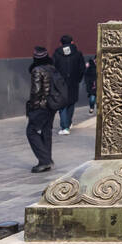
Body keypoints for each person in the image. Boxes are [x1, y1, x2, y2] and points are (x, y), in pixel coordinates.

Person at [25, 46, 57, 174]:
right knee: (46, 131)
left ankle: (44, 161)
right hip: (51, 105)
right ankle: (47, 159)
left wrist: (32, 106)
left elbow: (36, 91)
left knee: (31, 131)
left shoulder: (37, 70)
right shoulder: (52, 69)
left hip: (41, 106)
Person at [53, 34, 86, 135]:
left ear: (60, 43)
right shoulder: (78, 54)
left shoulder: (57, 54)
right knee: (71, 103)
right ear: (72, 42)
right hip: (73, 82)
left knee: (62, 105)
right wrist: (78, 79)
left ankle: (65, 127)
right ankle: (68, 123)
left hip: (60, 83)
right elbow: (82, 68)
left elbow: (53, 69)